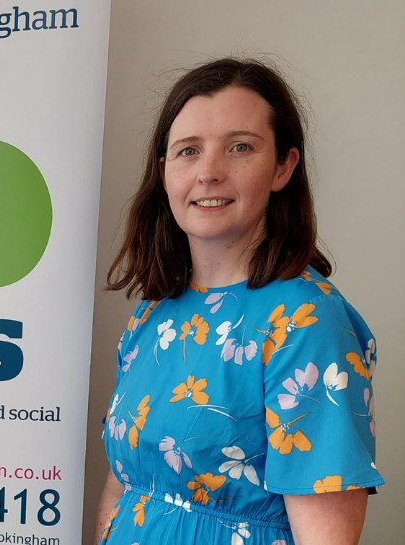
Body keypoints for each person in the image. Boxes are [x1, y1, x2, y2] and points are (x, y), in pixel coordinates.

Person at [94, 59, 383, 545]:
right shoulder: (152, 315)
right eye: (188, 151)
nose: (209, 172)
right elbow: (120, 487)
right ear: (165, 175)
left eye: (240, 147)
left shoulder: (307, 324)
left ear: (283, 167)